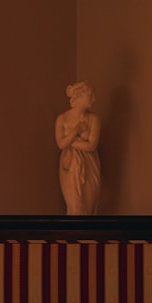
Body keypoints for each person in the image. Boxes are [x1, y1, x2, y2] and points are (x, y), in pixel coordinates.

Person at [55, 81, 101, 215]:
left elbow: (92, 145)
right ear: (80, 96)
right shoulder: (62, 119)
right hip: (70, 165)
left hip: (90, 165)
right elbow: (60, 144)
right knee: (74, 204)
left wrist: (70, 141)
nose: (94, 99)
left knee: (89, 205)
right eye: (91, 95)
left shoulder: (94, 120)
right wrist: (76, 131)